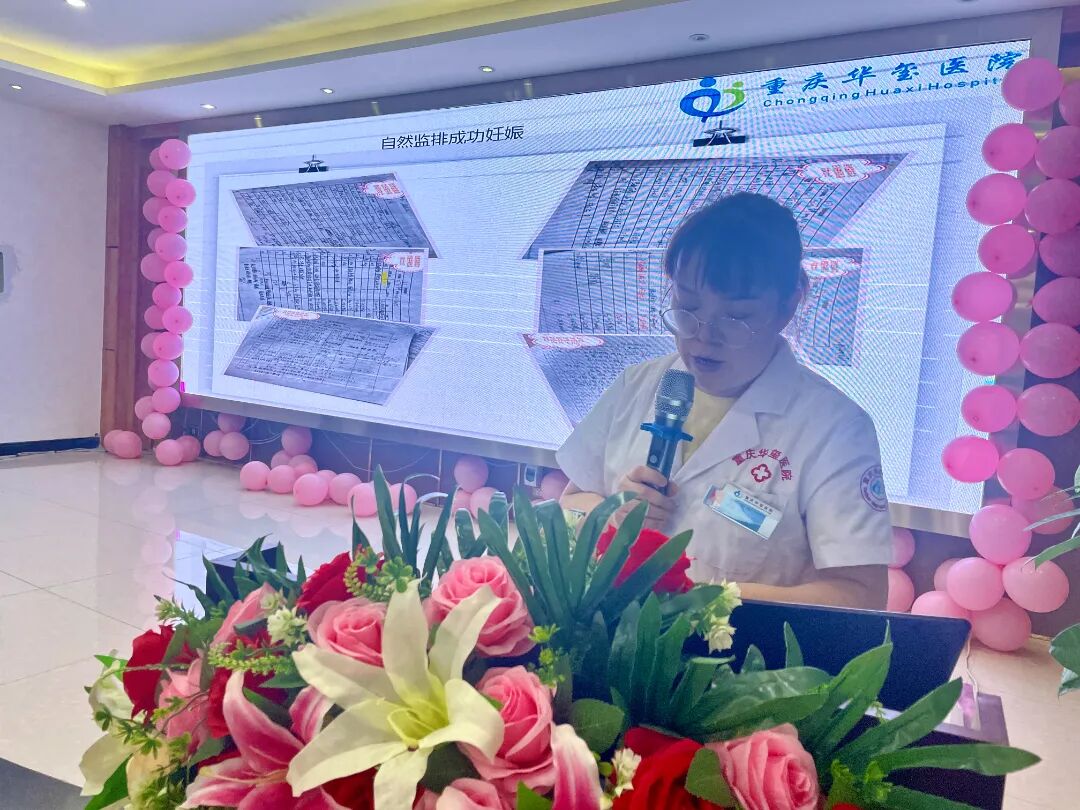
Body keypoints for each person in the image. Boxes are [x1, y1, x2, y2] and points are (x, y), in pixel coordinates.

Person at [557, 193, 892, 610]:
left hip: (743, 649)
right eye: (687, 306)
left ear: (787, 306)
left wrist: (698, 601)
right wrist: (609, 516)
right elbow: (570, 501)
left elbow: (861, 596)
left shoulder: (834, 429)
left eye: (736, 316)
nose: (703, 335)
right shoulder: (637, 385)